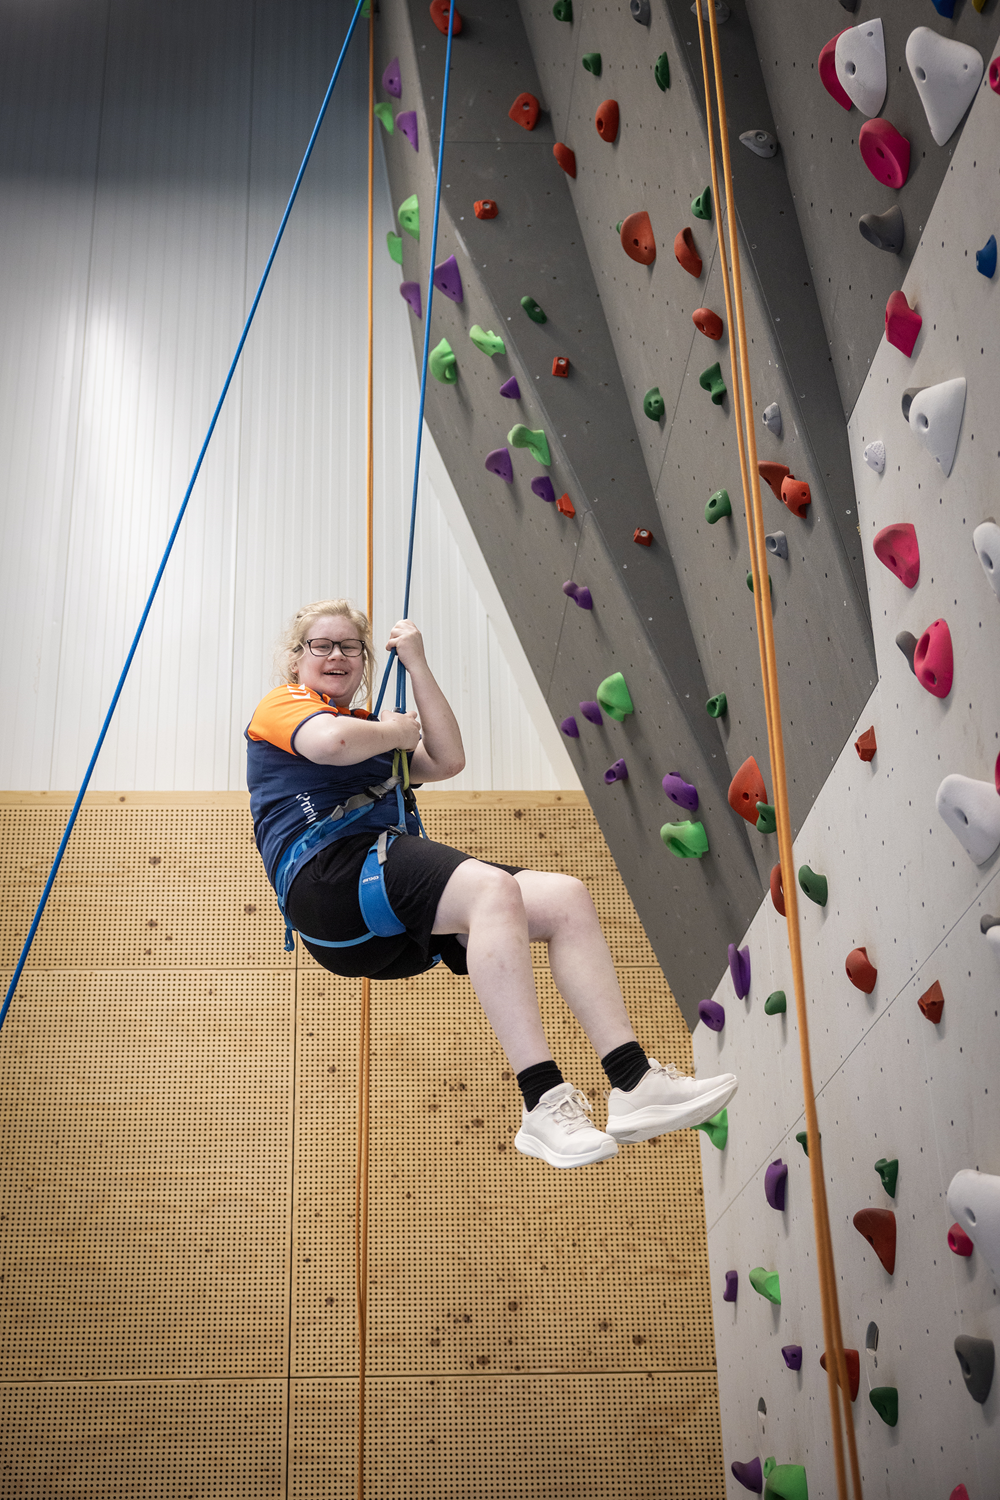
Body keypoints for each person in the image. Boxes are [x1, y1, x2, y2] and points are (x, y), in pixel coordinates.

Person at [246, 598, 737, 1170]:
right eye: (320, 646)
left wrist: (419, 666)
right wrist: (392, 730)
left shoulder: (371, 733)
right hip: (328, 884)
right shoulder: (287, 706)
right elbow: (328, 745)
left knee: (564, 899)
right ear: (296, 659)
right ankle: (543, 1101)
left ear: (364, 660)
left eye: (349, 647)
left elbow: (448, 758)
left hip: (381, 895)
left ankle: (632, 1081)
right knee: (490, 891)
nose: (335, 656)